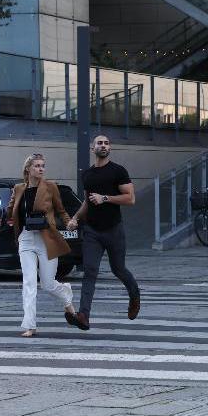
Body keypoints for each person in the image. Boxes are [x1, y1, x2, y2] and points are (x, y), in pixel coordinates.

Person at [65, 135, 140, 331]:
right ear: (93, 148)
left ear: (110, 148)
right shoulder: (87, 175)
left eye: (107, 143)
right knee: (90, 271)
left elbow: (130, 198)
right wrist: (75, 218)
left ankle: (134, 294)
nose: (104, 146)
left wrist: (105, 198)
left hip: (114, 229)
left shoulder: (118, 171)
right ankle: (83, 316)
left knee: (118, 270)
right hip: (92, 231)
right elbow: (87, 202)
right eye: (100, 143)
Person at [5, 153, 76, 338]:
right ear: (28, 169)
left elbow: (61, 210)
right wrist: (2, 216)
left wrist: (68, 222)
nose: (41, 169)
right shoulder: (19, 188)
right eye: (37, 166)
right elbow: (10, 211)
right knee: (29, 282)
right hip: (26, 239)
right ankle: (30, 325)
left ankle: (66, 295)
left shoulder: (50, 187)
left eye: (43, 165)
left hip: (46, 239)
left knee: (48, 284)